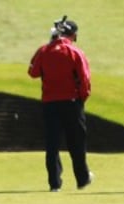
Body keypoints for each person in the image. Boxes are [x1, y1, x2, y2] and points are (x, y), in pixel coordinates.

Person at [28, 16, 93, 192]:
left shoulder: (44, 51)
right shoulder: (75, 52)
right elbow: (85, 80)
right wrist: (81, 99)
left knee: (52, 144)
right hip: (72, 102)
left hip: (50, 103)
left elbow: (32, 72)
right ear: (74, 35)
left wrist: (48, 44)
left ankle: (54, 183)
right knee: (77, 142)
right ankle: (82, 179)